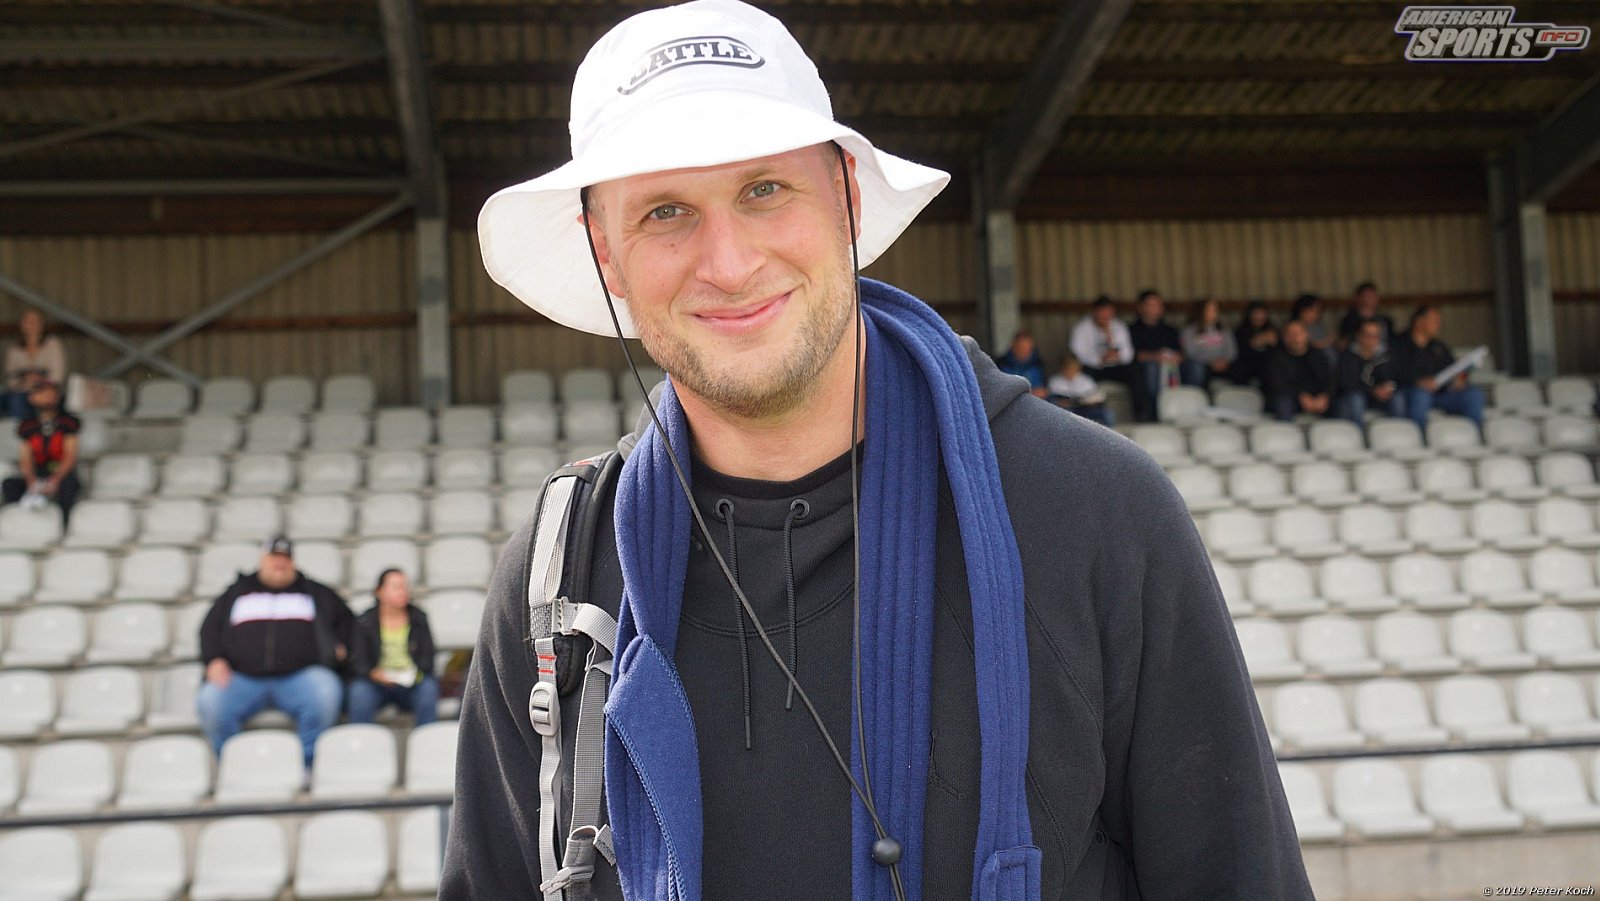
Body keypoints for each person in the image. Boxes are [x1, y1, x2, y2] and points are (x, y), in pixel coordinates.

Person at [446, 2, 1312, 898]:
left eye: (764, 189)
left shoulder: (1094, 509)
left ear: (848, 198)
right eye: (666, 212)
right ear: (606, 256)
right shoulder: (559, 579)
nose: (729, 263)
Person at [196, 535, 352, 767]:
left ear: (293, 562)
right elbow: (209, 628)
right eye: (274, 557)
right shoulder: (237, 592)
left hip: (298, 677)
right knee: (211, 701)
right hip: (243, 678)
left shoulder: (315, 592)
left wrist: (339, 648)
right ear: (263, 559)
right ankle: (234, 766)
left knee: (326, 691)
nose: (280, 563)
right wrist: (214, 659)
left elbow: (347, 623)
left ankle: (307, 765)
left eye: (285, 558)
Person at [346, 568, 439, 726]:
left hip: (412, 682)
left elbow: (428, 657)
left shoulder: (419, 618)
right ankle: (361, 738)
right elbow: (358, 660)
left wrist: (414, 674)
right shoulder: (364, 621)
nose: (403, 591)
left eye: (405, 586)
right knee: (359, 691)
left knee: (428, 688)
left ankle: (426, 738)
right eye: (396, 587)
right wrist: (374, 674)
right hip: (376, 682)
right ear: (379, 592)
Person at [1389, 304, 1486, 434]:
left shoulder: (1438, 346)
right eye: (1435, 321)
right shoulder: (1398, 343)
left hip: (1441, 393)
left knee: (1473, 394)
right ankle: (1419, 438)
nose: (1438, 325)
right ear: (1419, 321)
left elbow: (1453, 369)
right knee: (1421, 396)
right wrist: (1418, 382)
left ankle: (1475, 435)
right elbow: (1392, 372)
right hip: (1411, 392)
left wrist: (1460, 379)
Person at [0, 380, 80, 524]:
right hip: (38, 472)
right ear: (32, 398)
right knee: (10, 484)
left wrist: (55, 480)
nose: (47, 397)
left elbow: (69, 456)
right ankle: (17, 522)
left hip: (61, 473)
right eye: (42, 394)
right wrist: (31, 481)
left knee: (69, 485)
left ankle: (64, 524)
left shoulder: (69, 423)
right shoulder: (27, 426)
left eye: (51, 394)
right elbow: (25, 458)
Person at [1126, 289, 1183, 420]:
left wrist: (1174, 358)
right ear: (1140, 307)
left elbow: (1180, 354)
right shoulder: (1132, 330)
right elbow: (1133, 355)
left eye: (1158, 305)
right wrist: (1156, 357)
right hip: (1145, 370)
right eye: (1151, 305)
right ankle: (1153, 414)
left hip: (1170, 368)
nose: (1155, 308)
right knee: (1151, 369)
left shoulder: (1170, 330)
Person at [1335, 319, 1403, 427]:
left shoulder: (1386, 355)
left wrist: (1388, 387)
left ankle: (1397, 433)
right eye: (1368, 336)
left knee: (1397, 398)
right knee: (1356, 400)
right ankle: (1358, 435)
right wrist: (1372, 391)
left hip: (1378, 398)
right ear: (1358, 336)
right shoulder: (1348, 356)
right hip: (1354, 397)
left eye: (1376, 336)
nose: (1372, 340)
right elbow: (1346, 384)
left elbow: (1395, 376)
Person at [3, 309, 67, 422]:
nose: (32, 324)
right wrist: (25, 382)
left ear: (42, 324)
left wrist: (39, 384)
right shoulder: (14, 349)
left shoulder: (52, 344)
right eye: (28, 321)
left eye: (35, 321)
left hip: (49, 391)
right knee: (15, 399)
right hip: (23, 391)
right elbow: (10, 379)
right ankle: (20, 429)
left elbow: (57, 376)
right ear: (22, 324)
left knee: (42, 399)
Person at [1264, 320, 1334, 421]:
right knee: (1283, 403)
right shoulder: (1276, 357)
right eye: (1290, 334)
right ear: (1284, 337)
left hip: (1316, 397)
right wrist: (1301, 396)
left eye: (1298, 334)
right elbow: (1277, 385)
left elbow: (1330, 379)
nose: (1295, 338)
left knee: (1340, 403)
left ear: (1306, 335)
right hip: (1290, 397)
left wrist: (1324, 395)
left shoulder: (1318, 355)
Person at [1179, 296, 1236, 388]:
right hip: (1202, 363)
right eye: (1210, 310)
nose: (1214, 313)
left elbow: (1232, 350)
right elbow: (1190, 352)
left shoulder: (1224, 329)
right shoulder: (1189, 331)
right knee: (1197, 369)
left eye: (1215, 310)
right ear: (1201, 312)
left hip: (1223, 363)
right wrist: (1211, 361)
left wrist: (1224, 360)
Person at [1045, 355, 1113, 426]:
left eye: (1074, 368)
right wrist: (1062, 402)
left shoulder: (1086, 380)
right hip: (1068, 410)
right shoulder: (1054, 381)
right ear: (1062, 368)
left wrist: (1091, 402)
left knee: (1106, 414)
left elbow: (1095, 396)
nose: (1071, 370)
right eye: (1068, 368)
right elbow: (1053, 400)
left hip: (1086, 409)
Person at [1229, 299, 1278, 386]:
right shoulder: (1241, 331)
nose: (1259, 317)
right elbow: (1240, 351)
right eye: (1256, 313)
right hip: (1247, 364)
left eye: (1262, 314)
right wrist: (1256, 342)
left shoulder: (1272, 329)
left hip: (1266, 365)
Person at [1337, 281, 1395, 348]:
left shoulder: (1385, 320)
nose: (1369, 299)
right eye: (1366, 296)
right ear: (1358, 297)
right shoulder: (1349, 320)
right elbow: (1345, 343)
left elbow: (1392, 341)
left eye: (1372, 296)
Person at [992, 330, 1047, 398]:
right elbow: (999, 392)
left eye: (1028, 348)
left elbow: (1043, 390)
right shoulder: (1001, 364)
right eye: (1022, 348)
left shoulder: (1038, 364)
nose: (1025, 352)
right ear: (1014, 346)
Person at [1289, 292, 1335, 358]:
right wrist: (1325, 343)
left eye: (1318, 311)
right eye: (1311, 310)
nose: (1315, 314)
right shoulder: (1293, 327)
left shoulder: (1317, 326)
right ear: (1302, 310)